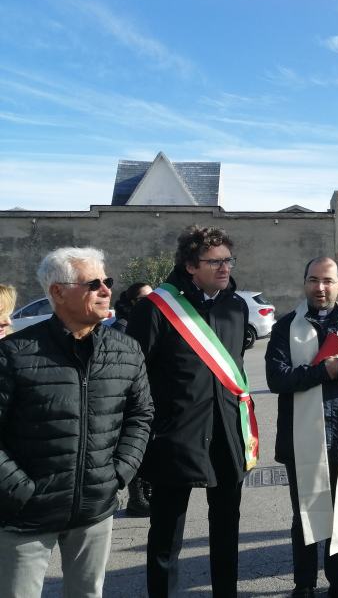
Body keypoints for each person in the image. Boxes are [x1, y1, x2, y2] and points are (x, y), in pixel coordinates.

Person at [0, 247, 153, 597]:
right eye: (93, 283)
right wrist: (21, 490)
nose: (106, 290)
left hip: (94, 508)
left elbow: (141, 415)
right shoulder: (14, 354)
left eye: (107, 282)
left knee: (87, 593)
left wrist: (118, 474)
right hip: (26, 514)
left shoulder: (126, 350)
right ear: (57, 291)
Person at [127, 226, 256, 598]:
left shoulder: (236, 306)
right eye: (214, 261)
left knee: (226, 530)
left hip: (228, 433)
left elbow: (234, 368)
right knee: (167, 536)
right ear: (189, 265)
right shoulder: (155, 309)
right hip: (175, 437)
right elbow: (135, 378)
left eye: (227, 260)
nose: (224, 268)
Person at [266, 257, 338, 598]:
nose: (320, 287)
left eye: (328, 281)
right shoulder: (286, 326)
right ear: (304, 283)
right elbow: (277, 378)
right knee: (305, 513)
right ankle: (304, 584)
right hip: (299, 438)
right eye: (314, 280)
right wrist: (323, 371)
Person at [112, 282, 155, 517]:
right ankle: (137, 499)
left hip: (145, 393)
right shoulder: (122, 327)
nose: (151, 301)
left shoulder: (145, 321)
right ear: (132, 303)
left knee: (146, 446)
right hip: (128, 398)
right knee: (135, 445)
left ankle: (144, 495)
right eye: (144, 298)